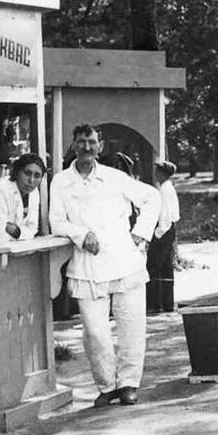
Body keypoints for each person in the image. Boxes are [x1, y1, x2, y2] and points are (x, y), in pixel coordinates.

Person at [49, 123, 161, 408]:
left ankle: (128, 384)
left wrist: (142, 233)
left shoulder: (115, 178)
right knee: (95, 332)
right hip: (87, 264)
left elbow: (152, 197)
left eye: (92, 142)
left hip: (125, 261)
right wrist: (80, 234)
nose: (87, 147)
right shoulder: (60, 181)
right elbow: (56, 221)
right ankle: (106, 386)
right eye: (81, 142)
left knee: (131, 325)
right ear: (73, 145)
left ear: (100, 146)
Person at [147, 160, 181, 313]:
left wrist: (158, 233)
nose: (155, 175)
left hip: (164, 230)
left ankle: (156, 304)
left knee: (156, 266)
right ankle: (166, 303)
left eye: (157, 171)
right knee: (165, 266)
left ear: (162, 173)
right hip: (167, 229)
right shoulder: (166, 188)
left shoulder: (165, 190)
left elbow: (165, 214)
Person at [0, 154, 46, 243]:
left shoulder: (34, 192)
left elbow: (33, 229)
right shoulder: (1, 189)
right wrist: (23, 232)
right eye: (27, 173)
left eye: (37, 176)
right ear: (17, 172)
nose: (31, 180)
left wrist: (17, 232)